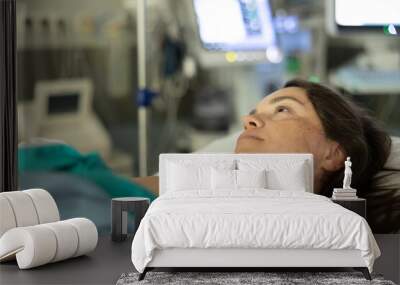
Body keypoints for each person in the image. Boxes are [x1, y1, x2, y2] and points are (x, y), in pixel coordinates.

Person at [134, 79, 393, 231]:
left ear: (333, 153)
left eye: (283, 110)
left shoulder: (339, 236)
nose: (249, 120)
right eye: (252, 112)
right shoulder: (184, 185)